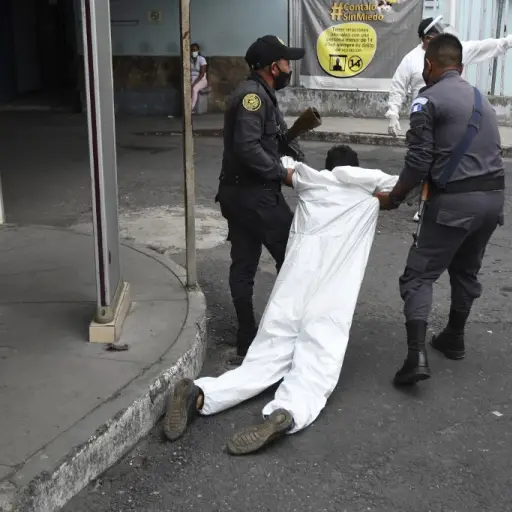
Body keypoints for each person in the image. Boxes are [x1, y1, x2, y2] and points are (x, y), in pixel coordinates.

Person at [164, 145, 399, 455]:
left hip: (293, 284)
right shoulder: (369, 198)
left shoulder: (308, 182)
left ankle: (201, 393)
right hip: (332, 292)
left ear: (326, 167)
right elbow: (403, 190)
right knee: (318, 357)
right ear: (355, 168)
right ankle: (289, 411)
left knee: (265, 356)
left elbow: (281, 165)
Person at [375, 34, 505, 386]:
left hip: (454, 204)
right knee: (465, 270)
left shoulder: (426, 101)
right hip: (493, 201)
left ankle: (415, 357)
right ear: (461, 67)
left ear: (428, 66)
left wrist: (395, 198)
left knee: (418, 275)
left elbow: (418, 162)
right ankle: (454, 337)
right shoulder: (482, 98)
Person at [215, 35, 305, 366]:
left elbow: (262, 142)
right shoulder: (253, 98)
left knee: (244, 263)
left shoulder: (259, 93)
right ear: (272, 67)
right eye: (286, 62)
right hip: (256, 195)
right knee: (293, 260)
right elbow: (248, 147)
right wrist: (282, 174)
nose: (289, 68)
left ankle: (247, 337)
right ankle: (283, 334)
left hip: (238, 194)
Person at [385, 16, 511, 223]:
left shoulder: (451, 50)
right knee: (424, 161)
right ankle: (423, 204)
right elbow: (398, 87)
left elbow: (483, 47)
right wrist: (393, 113)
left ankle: (441, 201)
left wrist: (507, 41)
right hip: (425, 117)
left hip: (451, 116)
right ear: (426, 38)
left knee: (447, 159)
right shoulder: (410, 59)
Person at [190, 43, 208, 113]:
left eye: (195, 50)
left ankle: (191, 108)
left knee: (194, 89)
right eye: (192, 50)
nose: (193, 51)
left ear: (198, 50)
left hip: (201, 80)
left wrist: (194, 83)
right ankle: (186, 106)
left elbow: (202, 73)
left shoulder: (201, 59)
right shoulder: (188, 60)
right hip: (191, 78)